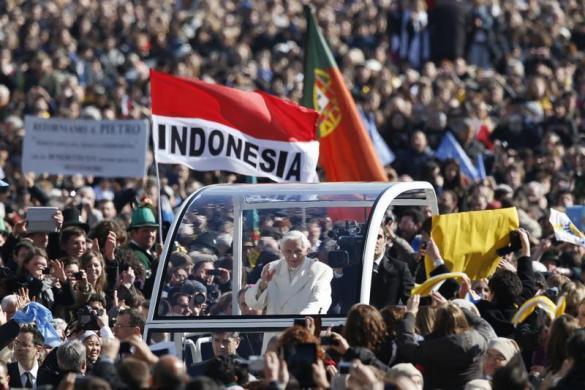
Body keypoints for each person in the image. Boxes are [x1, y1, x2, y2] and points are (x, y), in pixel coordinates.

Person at [245, 230, 333, 315]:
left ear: (307, 250)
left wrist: (298, 321)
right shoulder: (272, 268)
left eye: (298, 251)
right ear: (282, 251)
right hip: (276, 328)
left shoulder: (321, 270)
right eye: (288, 251)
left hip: (304, 326)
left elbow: (319, 302)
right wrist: (263, 285)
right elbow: (254, 305)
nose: (293, 256)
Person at [370, 226, 414, 308]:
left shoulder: (400, 268)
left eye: (378, 237)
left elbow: (411, 302)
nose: (374, 241)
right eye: (370, 237)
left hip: (386, 319)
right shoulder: (353, 269)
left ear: (386, 240)